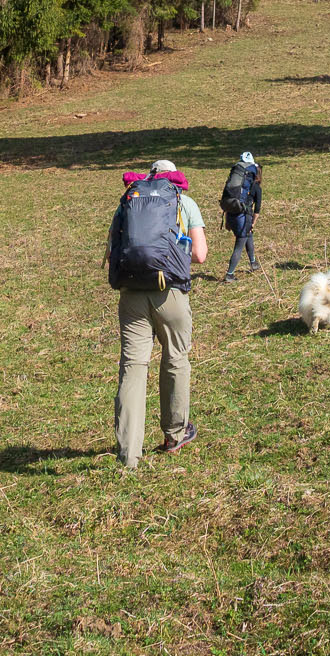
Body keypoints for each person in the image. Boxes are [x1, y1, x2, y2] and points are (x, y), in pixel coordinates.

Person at [106, 159, 208, 468]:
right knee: (176, 359)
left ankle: (128, 453)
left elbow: (113, 253)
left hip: (132, 296)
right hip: (171, 294)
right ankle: (174, 435)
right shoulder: (184, 201)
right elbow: (200, 255)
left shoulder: (128, 201)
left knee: (133, 367)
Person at [221, 151, 263, 281]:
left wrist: (227, 220)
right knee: (239, 244)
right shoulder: (256, 188)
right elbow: (257, 209)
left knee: (248, 236)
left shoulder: (238, 185)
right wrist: (253, 223)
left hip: (232, 213)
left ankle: (253, 262)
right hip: (244, 217)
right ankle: (229, 274)